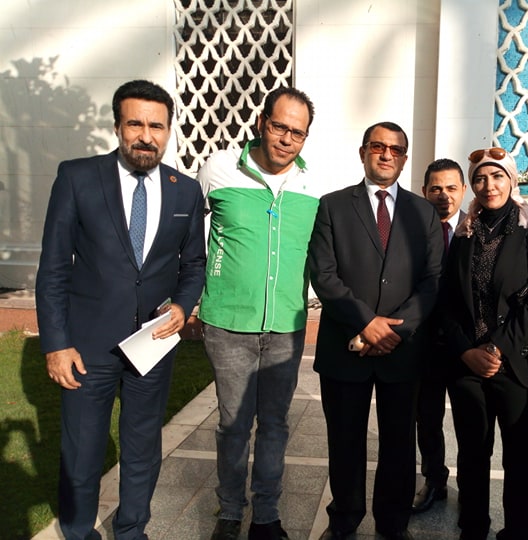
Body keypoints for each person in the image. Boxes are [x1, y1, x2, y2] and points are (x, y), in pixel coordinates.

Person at [35, 79, 206, 540]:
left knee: (143, 448)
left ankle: (132, 530)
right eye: (135, 124)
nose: (146, 136)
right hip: (86, 347)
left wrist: (183, 305)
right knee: (82, 450)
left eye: (157, 126)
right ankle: (78, 530)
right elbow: (53, 269)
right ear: (117, 127)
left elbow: (194, 264)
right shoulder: (77, 178)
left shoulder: (185, 191)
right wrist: (56, 344)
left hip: (152, 344)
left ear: (168, 131)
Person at [308, 122, 445, 540]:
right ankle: (344, 519)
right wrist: (366, 323)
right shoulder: (332, 206)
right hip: (345, 347)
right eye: (378, 146)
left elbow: (433, 280)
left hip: (403, 351)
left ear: (404, 158)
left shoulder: (423, 212)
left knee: (399, 445)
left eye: (396, 149)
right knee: (345, 443)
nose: (386, 154)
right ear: (363, 152)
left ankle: (393, 523)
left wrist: (395, 331)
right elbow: (323, 274)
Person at [198, 86, 319, 540]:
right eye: (279, 126)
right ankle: (230, 512)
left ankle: (266, 516)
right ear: (261, 122)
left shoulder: (312, 185)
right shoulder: (218, 168)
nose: (287, 139)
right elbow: (185, 234)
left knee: (275, 424)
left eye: (297, 132)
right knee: (232, 425)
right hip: (228, 324)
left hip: (286, 326)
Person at [440, 147, 528, 539]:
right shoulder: (465, 232)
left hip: (522, 364)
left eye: (497, 176)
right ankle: (473, 526)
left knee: (521, 455)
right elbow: (447, 301)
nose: (488, 185)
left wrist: (496, 348)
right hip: (469, 365)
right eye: (479, 178)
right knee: (472, 453)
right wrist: (466, 351)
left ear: (511, 180)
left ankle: (517, 532)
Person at [412, 158, 467, 513]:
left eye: (451, 188)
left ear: (463, 190)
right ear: (424, 191)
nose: (444, 195)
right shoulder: (411, 230)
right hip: (426, 343)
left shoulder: (479, 228)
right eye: (436, 188)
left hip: (466, 346)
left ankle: (471, 486)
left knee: (469, 420)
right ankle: (434, 480)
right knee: (428, 418)